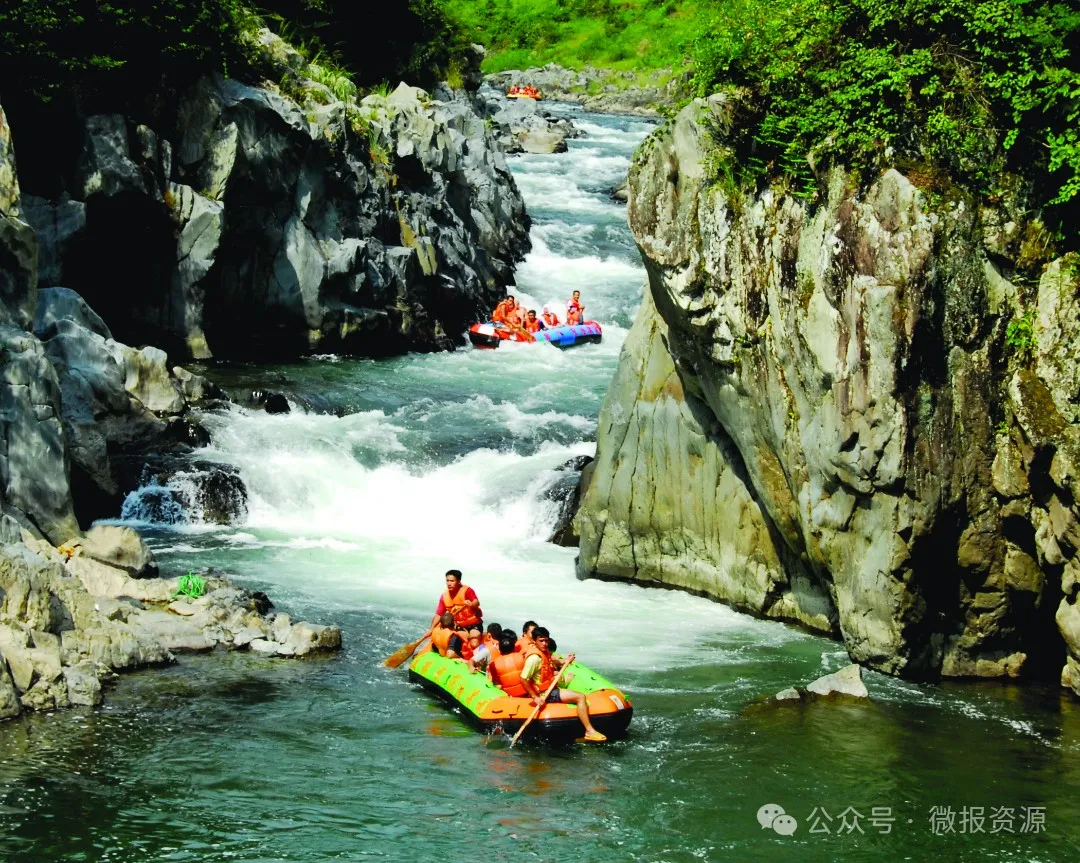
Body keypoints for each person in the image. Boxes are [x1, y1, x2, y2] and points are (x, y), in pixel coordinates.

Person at [521, 627, 606, 741]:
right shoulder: (534, 659)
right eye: (541, 641)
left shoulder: (544, 653)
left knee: (578, 695)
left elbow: (552, 662)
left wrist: (566, 660)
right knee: (580, 697)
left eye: (546, 640)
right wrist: (535, 697)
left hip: (552, 688)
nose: (545, 644)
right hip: (546, 694)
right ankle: (589, 731)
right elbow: (523, 679)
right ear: (534, 641)